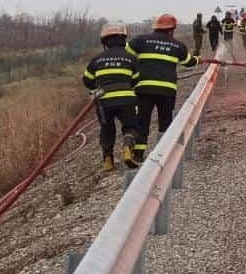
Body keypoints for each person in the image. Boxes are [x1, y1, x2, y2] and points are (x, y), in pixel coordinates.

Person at [126, 13, 199, 161]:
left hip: (144, 89)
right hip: (167, 90)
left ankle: (138, 155)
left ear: (156, 28)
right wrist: (198, 59)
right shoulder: (177, 45)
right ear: (172, 29)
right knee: (165, 122)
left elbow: (125, 53)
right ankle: (162, 155)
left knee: (142, 121)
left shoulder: (140, 41)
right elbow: (188, 62)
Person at [83, 24, 141, 171]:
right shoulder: (131, 58)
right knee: (130, 126)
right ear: (124, 40)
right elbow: (136, 80)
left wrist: (97, 88)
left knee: (107, 129)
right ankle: (128, 148)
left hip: (103, 100)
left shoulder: (96, 60)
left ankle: (108, 160)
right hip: (126, 98)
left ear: (105, 42)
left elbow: (87, 81)